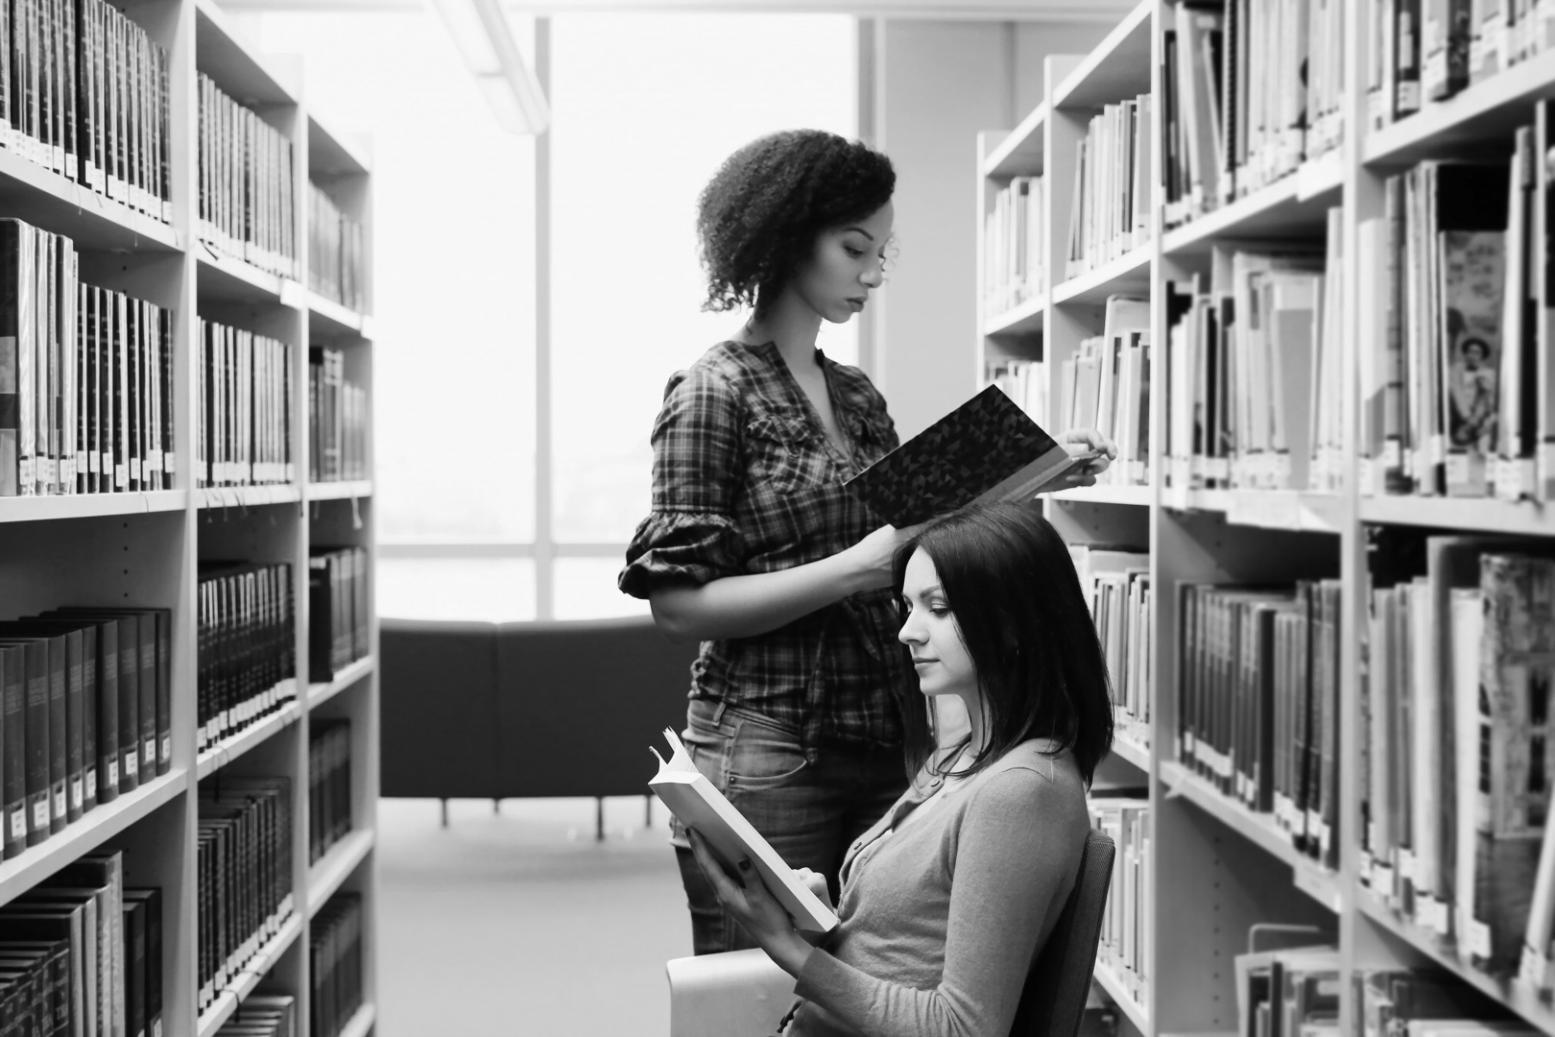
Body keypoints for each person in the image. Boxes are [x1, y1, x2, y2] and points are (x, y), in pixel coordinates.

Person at [618, 128, 1114, 955]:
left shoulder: (855, 395)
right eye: (855, 248)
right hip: (768, 746)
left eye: (882, 251)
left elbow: (908, 536)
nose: (874, 273)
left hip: (890, 734)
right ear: (784, 234)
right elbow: (678, 607)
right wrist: (850, 570)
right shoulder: (710, 393)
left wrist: (1024, 480)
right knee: (760, 991)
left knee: (865, 977)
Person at [686, 500, 1114, 1036]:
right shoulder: (965, 754)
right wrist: (823, 925)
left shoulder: (1021, 792)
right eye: (908, 607)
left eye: (938, 608)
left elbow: (962, 1028)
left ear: (1013, 624)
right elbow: (907, 951)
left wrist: (792, 951)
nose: (907, 633)